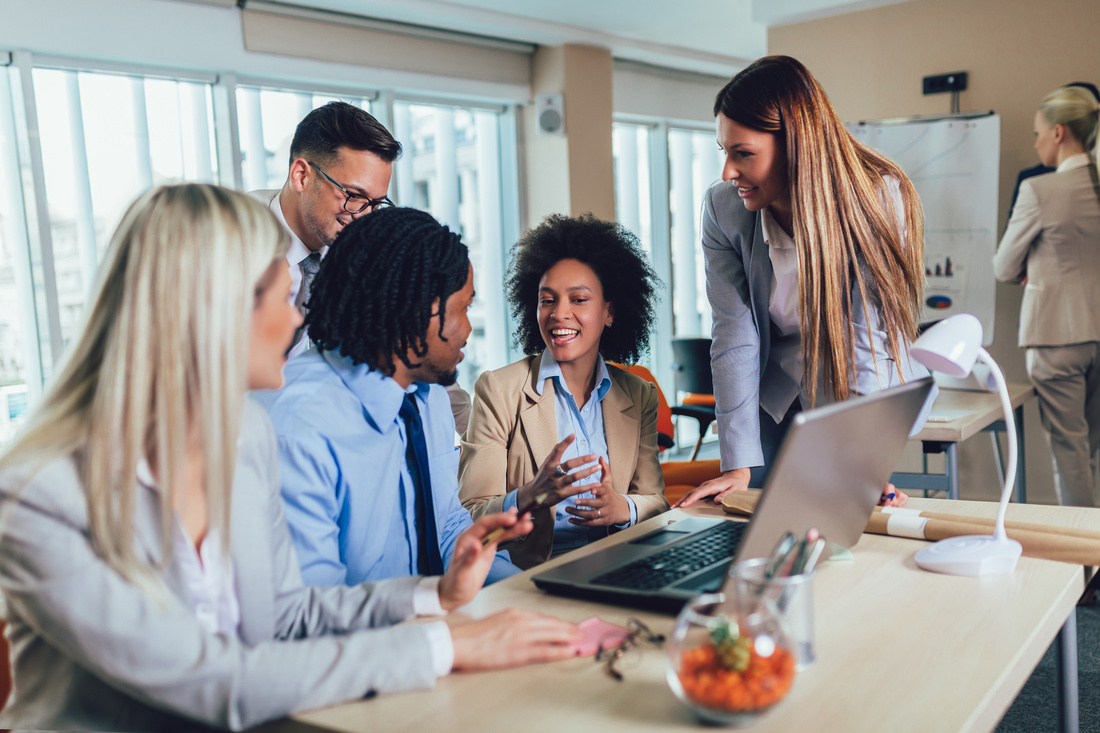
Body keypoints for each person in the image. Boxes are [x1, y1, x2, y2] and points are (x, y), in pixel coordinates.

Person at [0, 184, 580, 732]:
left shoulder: (243, 435)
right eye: (281, 297)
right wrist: (447, 644)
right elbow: (212, 679)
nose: (299, 318)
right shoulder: (38, 496)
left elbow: (285, 614)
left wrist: (436, 596)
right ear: (210, 312)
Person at [676, 55, 934, 509]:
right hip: (776, 387)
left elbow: (864, 339)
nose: (727, 172)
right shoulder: (724, 209)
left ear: (795, 144)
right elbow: (734, 334)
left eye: (744, 154)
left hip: (860, 376)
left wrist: (859, 461)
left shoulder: (876, 198)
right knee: (760, 511)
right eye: (724, 152)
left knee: (845, 507)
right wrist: (736, 463)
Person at [254, 207, 521, 586]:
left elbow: (447, 531)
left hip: (434, 623)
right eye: (463, 308)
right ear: (415, 312)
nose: (468, 329)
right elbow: (314, 611)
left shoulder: (428, 398)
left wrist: (527, 590)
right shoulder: (297, 427)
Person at [458, 214, 669, 569]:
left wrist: (622, 508)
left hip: (619, 565)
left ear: (609, 312)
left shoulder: (640, 395)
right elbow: (470, 516)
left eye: (579, 299)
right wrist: (529, 496)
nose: (559, 314)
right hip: (530, 573)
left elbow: (656, 501)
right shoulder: (499, 391)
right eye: (547, 300)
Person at [251, 101, 471, 430]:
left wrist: (485, 431)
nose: (363, 215)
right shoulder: (231, 243)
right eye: (353, 195)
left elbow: (411, 343)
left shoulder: (366, 250)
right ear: (301, 175)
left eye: (377, 202)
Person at [993, 85, 1100, 507]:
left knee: (1069, 453)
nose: (1035, 141)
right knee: (1089, 449)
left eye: (1038, 132)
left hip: (1057, 336)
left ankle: (1086, 566)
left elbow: (1004, 266)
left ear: (1059, 133)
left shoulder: (1039, 190)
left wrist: (1035, 263)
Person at [1005, 82, 1100, 226]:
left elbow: (1010, 249)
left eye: (1037, 134)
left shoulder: (1032, 187)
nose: (1036, 145)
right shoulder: (1031, 178)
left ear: (1057, 132)